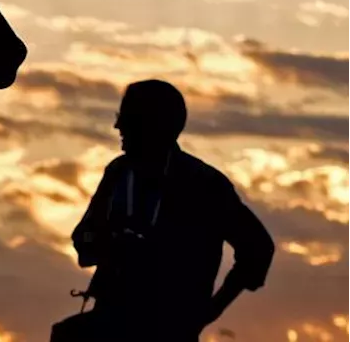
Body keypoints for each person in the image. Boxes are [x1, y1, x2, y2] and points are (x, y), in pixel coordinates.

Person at [53, 79, 275, 341]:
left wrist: (209, 312)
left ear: (155, 126)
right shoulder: (118, 173)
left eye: (128, 119)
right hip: (113, 320)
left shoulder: (204, 185)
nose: (118, 126)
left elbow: (258, 248)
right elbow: (83, 238)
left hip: (168, 328)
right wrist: (110, 243)